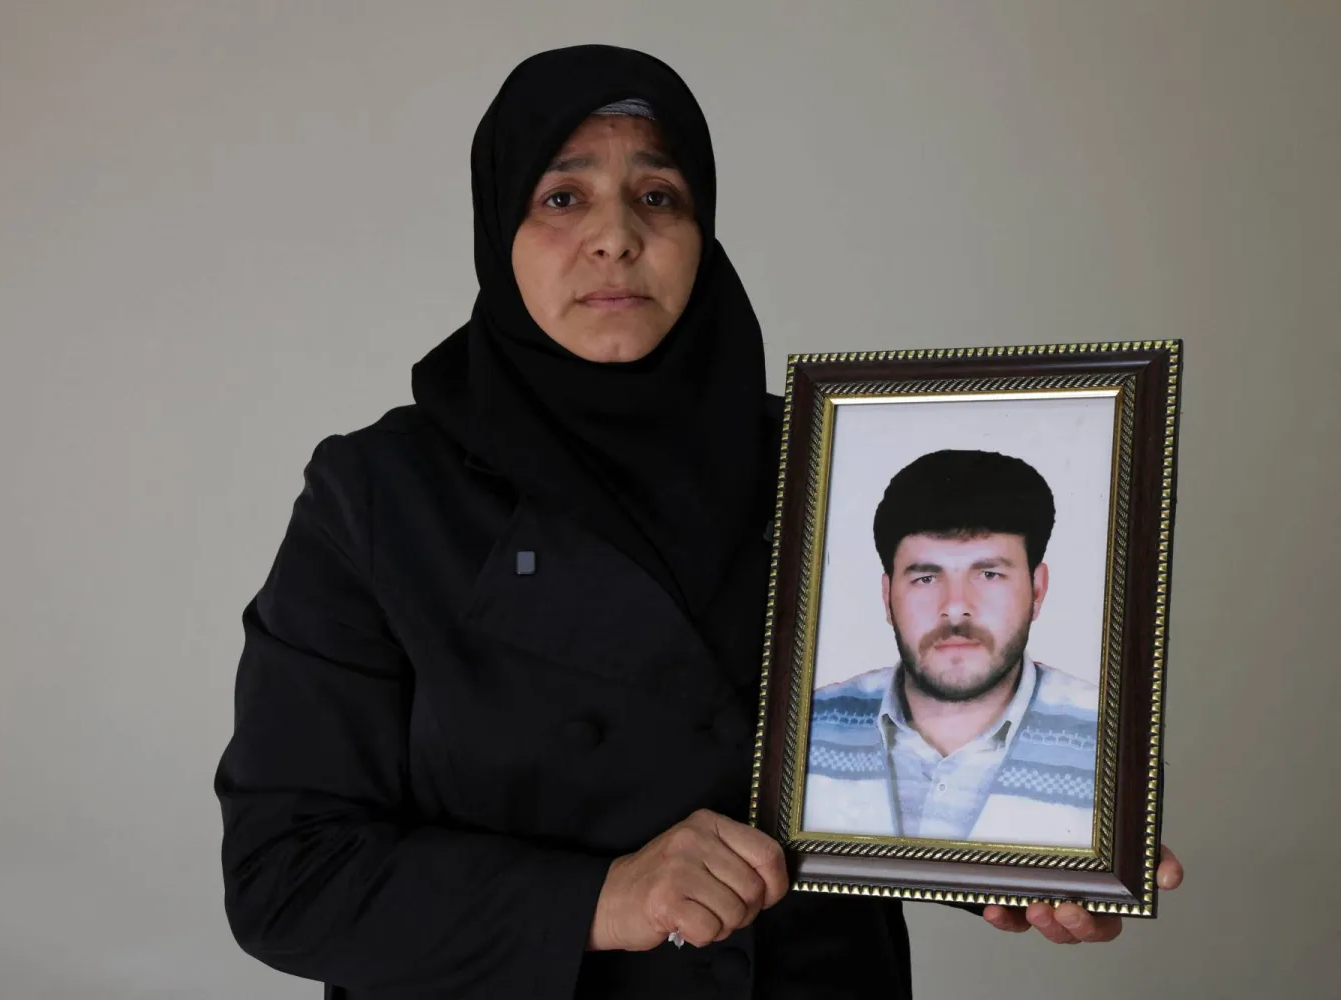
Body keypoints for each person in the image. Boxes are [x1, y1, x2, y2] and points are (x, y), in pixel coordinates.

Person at [214, 45, 1183, 1000]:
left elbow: (866, 751)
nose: (615, 237)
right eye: (562, 197)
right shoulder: (381, 496)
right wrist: (603, 897)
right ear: (496, 229)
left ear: (702, 231)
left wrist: (1024, 854)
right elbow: (286, 876)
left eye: (658, 196)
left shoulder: (827, 461)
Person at [803, 449, 1099, 848]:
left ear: (1038, 590)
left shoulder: (1109, 737)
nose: (956, 606)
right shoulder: (806, 727)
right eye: (926, 577)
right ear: (887, 596)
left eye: (989, 574)